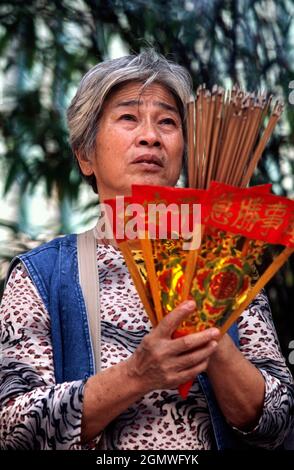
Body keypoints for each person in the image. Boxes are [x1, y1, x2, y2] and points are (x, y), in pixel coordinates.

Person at [0, 49, 293, 450]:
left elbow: (282, 422)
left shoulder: (226, 262)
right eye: (128, 118)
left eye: (167, 122)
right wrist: (138, 374)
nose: (151, 136)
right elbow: (13, 426)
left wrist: (213, 338)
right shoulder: (43, 275)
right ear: (86, 155)